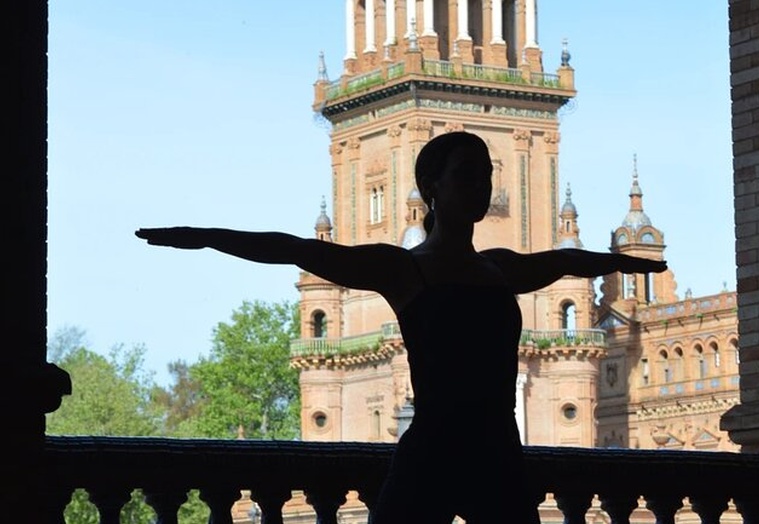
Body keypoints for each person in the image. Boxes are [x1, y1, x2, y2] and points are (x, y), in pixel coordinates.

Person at [136, 131, 667, 524]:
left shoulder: (500, 268)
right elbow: (291, 248)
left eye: (486, 174)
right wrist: (203, 235)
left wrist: (629, 264)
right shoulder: (404, 269)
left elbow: (564, 263)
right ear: (431, 187)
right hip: (434, 454)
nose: (480, 185)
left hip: (497, 456)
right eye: (466, 174)